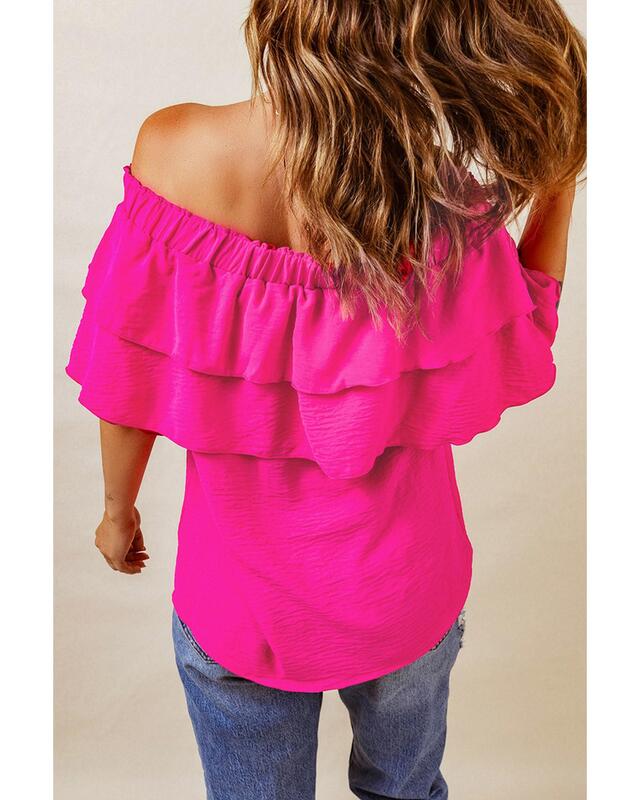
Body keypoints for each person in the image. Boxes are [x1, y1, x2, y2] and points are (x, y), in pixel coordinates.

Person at [65, 1, 586, 798]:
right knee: (406, 790)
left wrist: (117, 509)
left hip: (242, 602)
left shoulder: (174, 150)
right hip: (406, 589)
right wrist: (559, 181)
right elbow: (528, 321)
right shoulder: (428, 192)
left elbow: (127, 368)